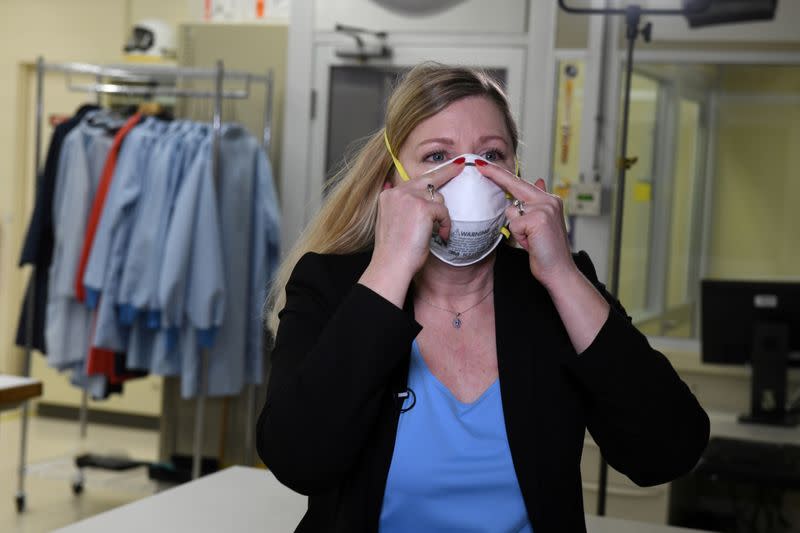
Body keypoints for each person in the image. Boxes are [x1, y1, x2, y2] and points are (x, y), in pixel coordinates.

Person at [256, 62, 709, 533]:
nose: (469, 176)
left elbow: (669, 451)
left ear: (517, 179)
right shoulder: (332, 286)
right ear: (391, 188)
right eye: (437, 156)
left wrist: (563, 274)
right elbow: (297, 459)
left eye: (491, 155)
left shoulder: (555, 294)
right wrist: (390, 267)